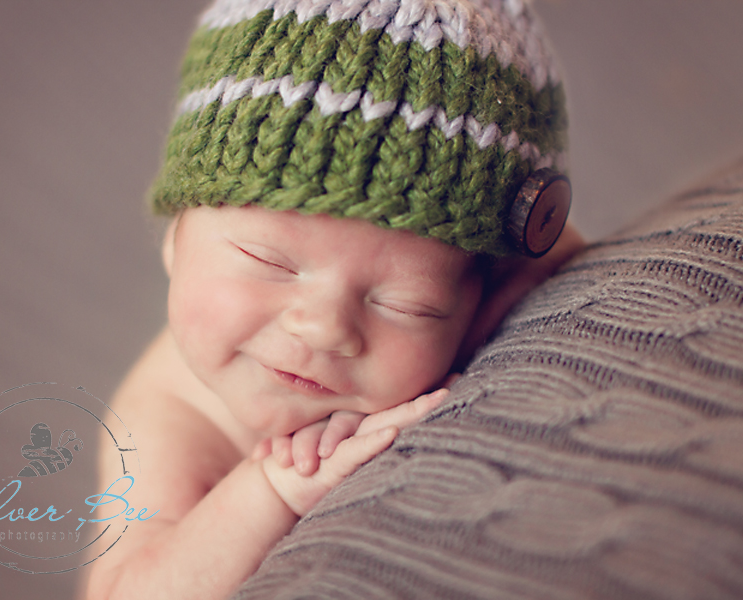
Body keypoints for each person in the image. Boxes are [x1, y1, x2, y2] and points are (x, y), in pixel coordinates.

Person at [84, 0, 583, 598]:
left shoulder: (481, 303)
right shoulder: (169, 419)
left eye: (407, 305)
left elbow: (556, 261)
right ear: (174, 241)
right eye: (269, 263)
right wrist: (271, 489)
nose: (324, 328)